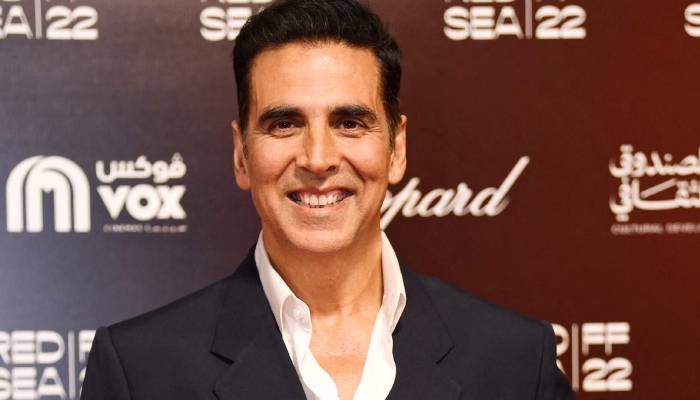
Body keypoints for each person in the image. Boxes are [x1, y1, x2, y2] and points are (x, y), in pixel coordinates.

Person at [81, 0, 573, 399]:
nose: (318, 159)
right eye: (284, 124)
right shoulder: (139, 370)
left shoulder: (514, 361)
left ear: (397, 150)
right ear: (241, 155)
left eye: (350, 123)